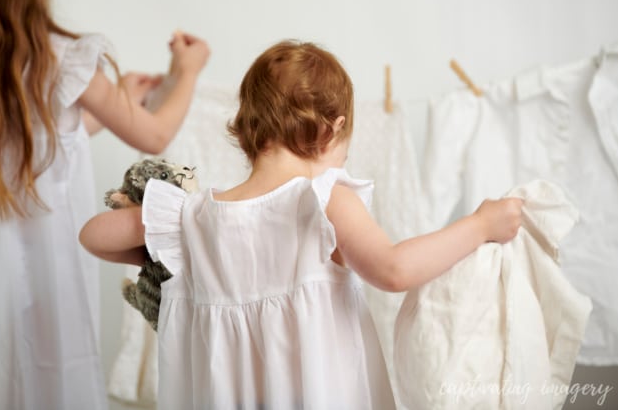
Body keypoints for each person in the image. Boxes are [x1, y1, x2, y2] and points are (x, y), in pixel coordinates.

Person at [79, 40, 523, 409]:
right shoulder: (323, 200)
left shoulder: (195, 217)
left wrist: (161, 228)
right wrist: (480, 225)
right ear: (335, 129)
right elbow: (393, 270)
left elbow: (93, 236)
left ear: (246, 130)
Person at [0, 0, 209, 409]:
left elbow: (25, 151)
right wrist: (187, 71)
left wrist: (112, 106)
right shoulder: (58, 60)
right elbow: (155, 136)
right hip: (35, 285)